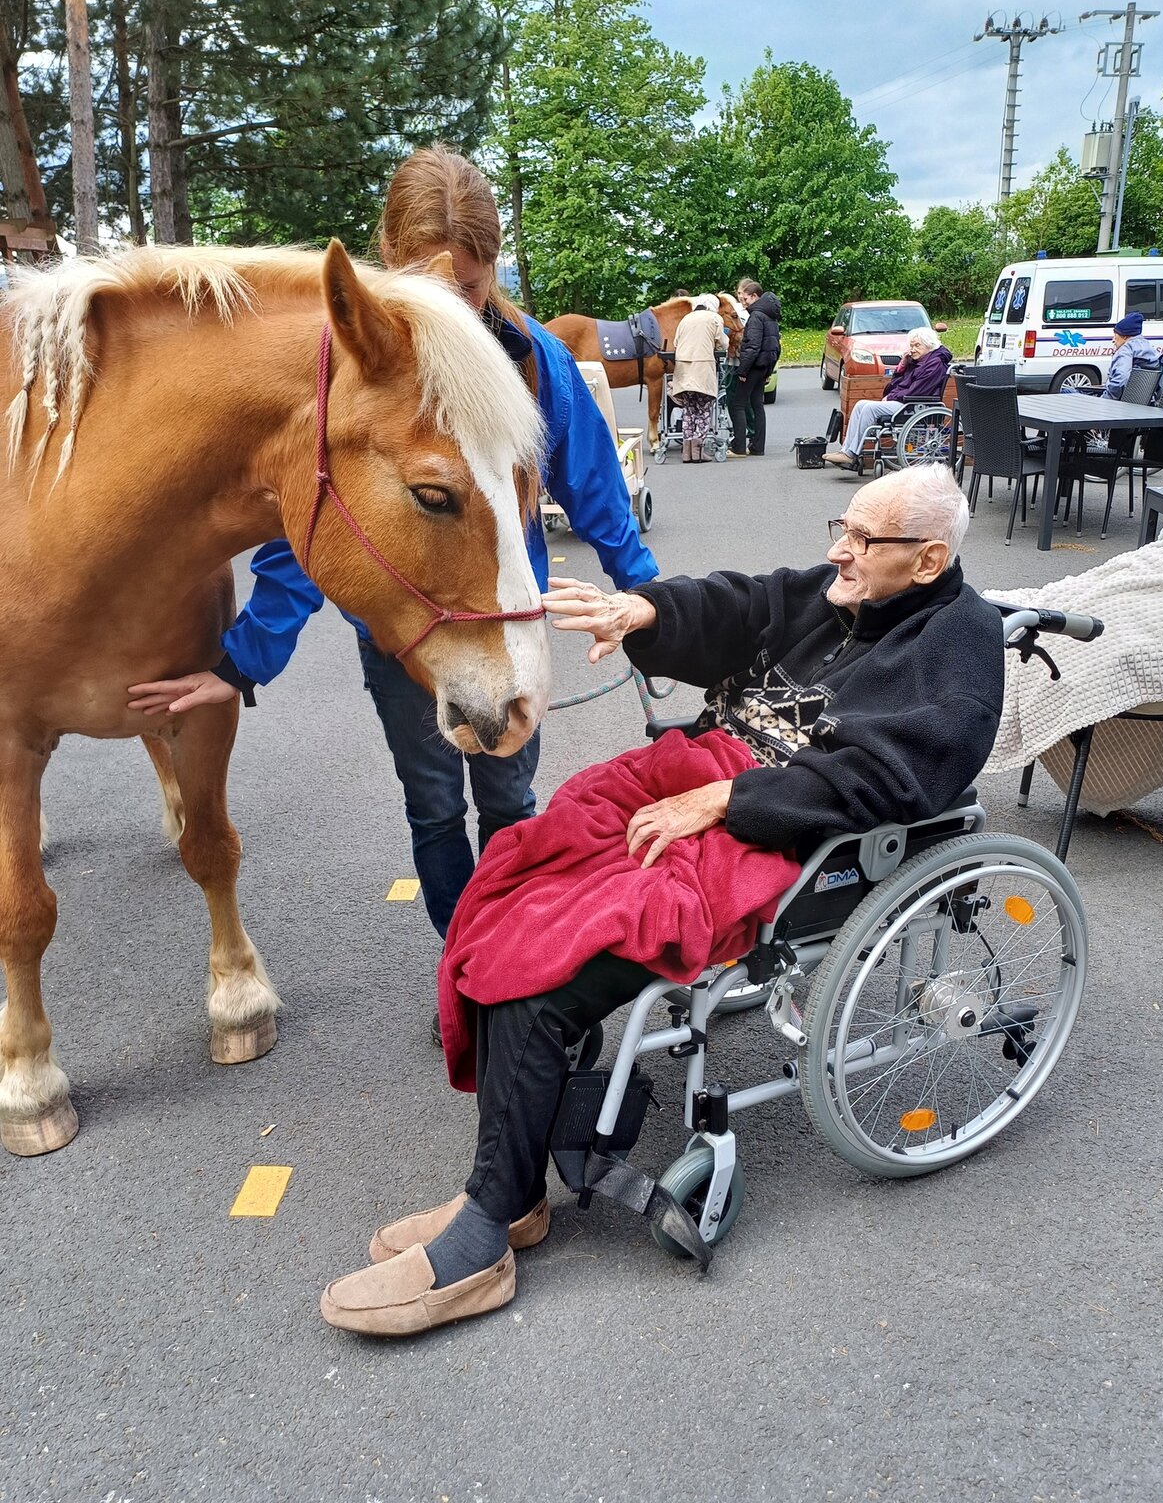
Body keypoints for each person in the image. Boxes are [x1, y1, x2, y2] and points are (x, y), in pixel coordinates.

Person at [317, 464, 1005, 1338]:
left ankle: (488, 1232)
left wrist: (729, 800)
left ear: (929, 559)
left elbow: (895, 776)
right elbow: (745, 604)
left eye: (864, 539)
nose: (840, 549)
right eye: (844, 526)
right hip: (705, 775)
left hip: (774, 830)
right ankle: (513, 1192)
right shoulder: (844, 591)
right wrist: (643, 610)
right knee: (510, 881)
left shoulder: (961, 647)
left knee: (546, 960)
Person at [127, 145, 659, 972]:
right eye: (425, 284)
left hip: (501, 624)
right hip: (403, 640)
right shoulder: (355, 372)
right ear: (388, 257)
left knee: (511, 801)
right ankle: (467, 965)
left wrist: (657, 605)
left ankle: (512, 960)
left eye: (469, 287)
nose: (452, 306)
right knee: (434, 807)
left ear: (494, 268)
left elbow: (595, 488)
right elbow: (308, 533)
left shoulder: (528, 358)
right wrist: (241, 663)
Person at [827, 326, 953, 470]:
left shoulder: (934, 364)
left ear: (929, 345)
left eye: (917, 345)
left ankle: (851, 454)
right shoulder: (919, 361)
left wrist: (891, 397)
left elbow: (916, 391)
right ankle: (846, 451)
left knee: (870, 409)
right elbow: (896, 384)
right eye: (911, 346)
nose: (912, 349)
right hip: (906, 401)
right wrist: (903, 365)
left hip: (914, 405)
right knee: (860, 404)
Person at [669, 293, 727, 463]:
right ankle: (698, 450)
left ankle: (687, 452)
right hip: (702, 368)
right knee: (703, 409)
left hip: (683, 369)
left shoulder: (685, 319)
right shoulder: (714, 318)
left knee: (688, 409)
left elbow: (676, 343)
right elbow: (722, 343)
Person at [728, 278, 780, 457]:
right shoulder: (770, 315)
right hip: (764, 366)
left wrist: (742, 370)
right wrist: (768, 370)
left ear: (755, 296)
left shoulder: (756, 316)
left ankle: (739, 447)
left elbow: (753, 346)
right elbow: (776, 346)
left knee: (738, 404)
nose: (743, 303)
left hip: (753, 366)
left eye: (746, 299)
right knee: (757, 404)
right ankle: (758, 447)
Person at [1101, 311, 1162, 399]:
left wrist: (1105, 399)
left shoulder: (1126, 349)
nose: (1113, 340)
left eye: (1115, 335)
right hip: (1144, 403)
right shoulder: (1152, 350)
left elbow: (1121, 379)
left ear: (1125, 336)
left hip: (1118, 404)